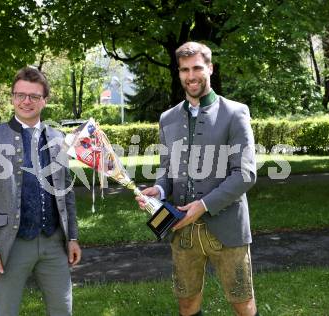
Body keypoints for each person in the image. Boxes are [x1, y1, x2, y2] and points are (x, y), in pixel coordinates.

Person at [137, 42, 259, 316]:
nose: (190, 76)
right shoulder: (167, 118)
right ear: (178, 73)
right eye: (184, 70)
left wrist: (202, 206)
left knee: (243, 303)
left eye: (196, 68)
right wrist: (158, 189)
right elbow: (167, 169)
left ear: (210, 69)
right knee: (187, 303)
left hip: (227, 229)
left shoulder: (235, 112)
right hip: (182, 231)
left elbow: (245, 174)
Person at [0, 67, 81, 316]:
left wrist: (72, 237)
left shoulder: (58, 138)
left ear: (45, 100)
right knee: (6, 311)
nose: (26, 101)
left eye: (33, 96)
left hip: (54, 242)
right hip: (11, 244)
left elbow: (66, 192)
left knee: (63, 309)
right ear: (12, 98)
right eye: (20, 95)